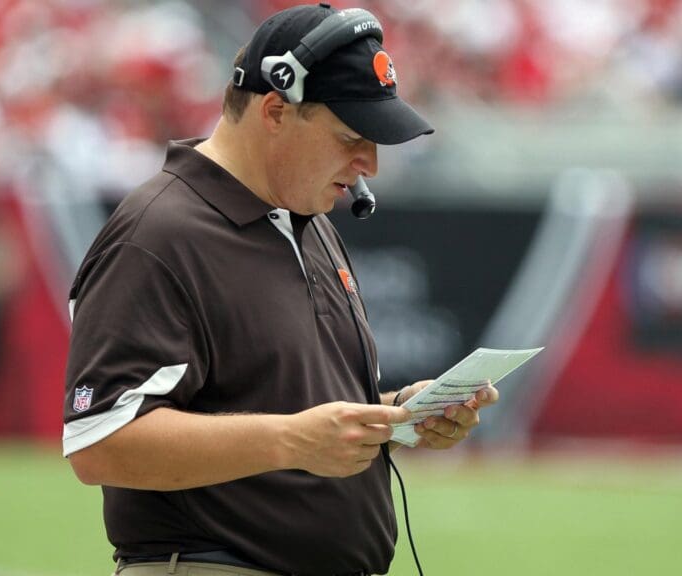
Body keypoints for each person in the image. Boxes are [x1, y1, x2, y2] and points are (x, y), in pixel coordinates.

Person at [62, 4, 499, 576]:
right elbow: (100, 442)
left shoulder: (305, 221)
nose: (369, 164)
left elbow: (286, 406)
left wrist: (396, 417)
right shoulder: (159, 232)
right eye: (351, 137)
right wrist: (292, 440)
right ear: (274, 110)